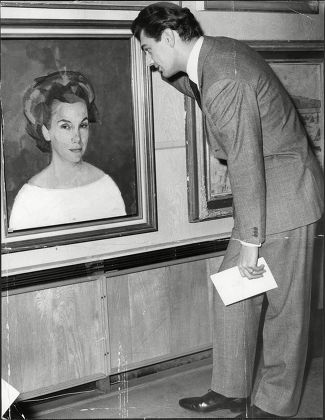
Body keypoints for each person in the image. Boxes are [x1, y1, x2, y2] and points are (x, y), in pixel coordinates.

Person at [131, 3, 324, 418]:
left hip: (288, 197)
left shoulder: (223, 79)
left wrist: (250, 242)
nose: (150, 62)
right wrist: (170, 74)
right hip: (263, 194)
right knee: (232, 290)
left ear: (168, 38)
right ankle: (231, 390)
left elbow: (244, 163)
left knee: (284, 309)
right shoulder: (212, 57)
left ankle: (274, 406)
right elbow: (194, 86)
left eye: (149, 50)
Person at [9, 70, 126, 230]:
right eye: (66, 126)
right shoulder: (30, 199)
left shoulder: (105, 186)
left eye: (83, 125)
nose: (77, 137)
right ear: (46, 131)